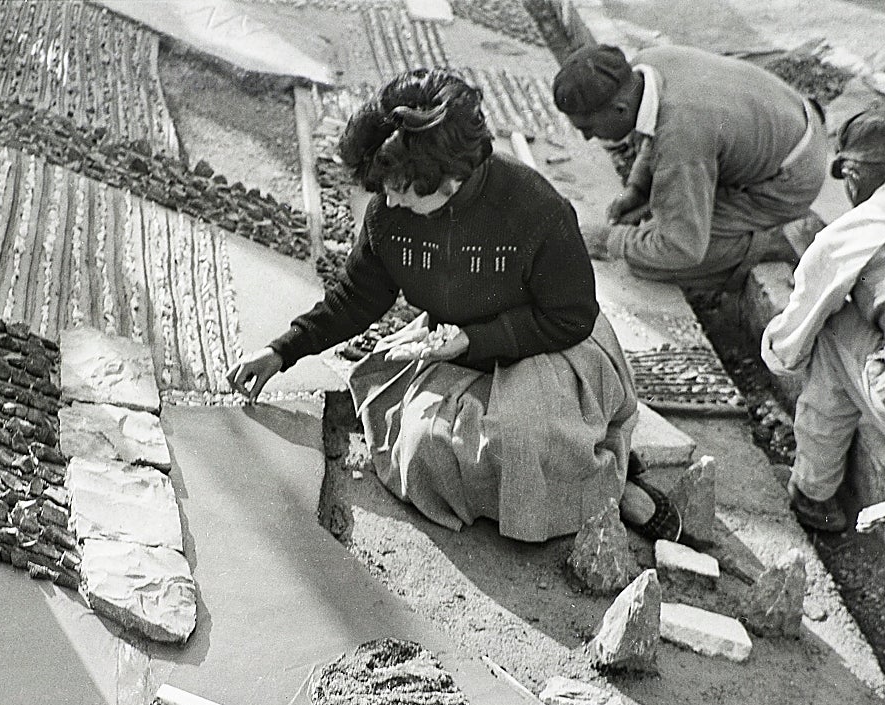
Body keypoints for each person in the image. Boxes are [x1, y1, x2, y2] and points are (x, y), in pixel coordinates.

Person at [226, 68, 681, 543]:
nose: (388, 199)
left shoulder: (537, 209)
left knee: (518, 441)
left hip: (549, 346)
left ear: (450, 179)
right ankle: (537, 488)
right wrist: (282, 351)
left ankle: (611, 485)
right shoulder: (391, 213)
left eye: (401, 187)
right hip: (456, 348)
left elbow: (571, 317)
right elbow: (357, 296)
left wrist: (474, 339)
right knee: (424, 448)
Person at [762, 109, 885, 532]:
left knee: (832, 330)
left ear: (855, 172)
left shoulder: (869, 220)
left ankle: (812, 493)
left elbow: (789, 347)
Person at [551, 43, 827, 291]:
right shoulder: (646, 65)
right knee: (660, 224)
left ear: (620, 109)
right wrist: (638, 187)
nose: (588, 138)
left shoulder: (681, 137)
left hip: (793, 177)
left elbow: (681, 249)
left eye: (588, 127)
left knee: (651, 261)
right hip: (789, 121)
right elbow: (655, 129)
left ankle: (780, 241)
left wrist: (610, 239)